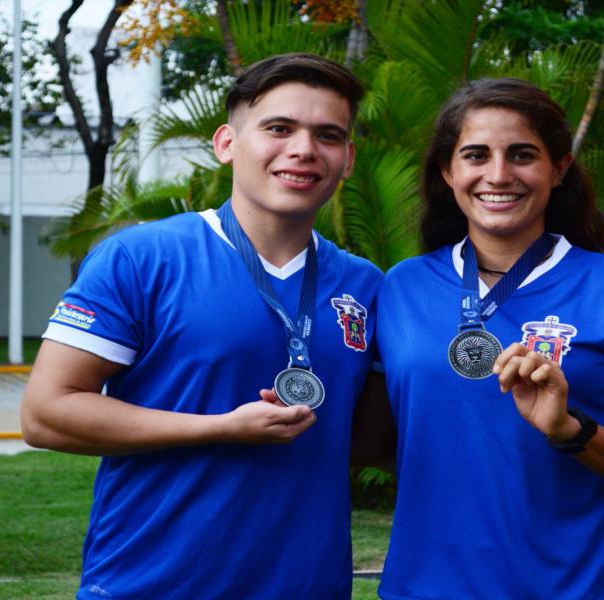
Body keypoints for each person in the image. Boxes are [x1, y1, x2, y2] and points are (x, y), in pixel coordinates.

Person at [21, 53, 382, 599]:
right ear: (227, 144)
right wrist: (219, 428)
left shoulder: (366, 285)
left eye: (327, 135)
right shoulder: (142, 258)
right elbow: (46, 415)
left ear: (348, 158)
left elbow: (376, 434)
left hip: (306, 585)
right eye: (278, 128)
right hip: (151, 585)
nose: (304, 150)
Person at [373, 78, 604, 599]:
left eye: (522, 155)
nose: (498, 175)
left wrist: (570, 430)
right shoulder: (401, 287)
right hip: (426, 586)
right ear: (448, 171)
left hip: (575, 587)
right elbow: (376, 438)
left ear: (558, 168)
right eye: (475, 155)